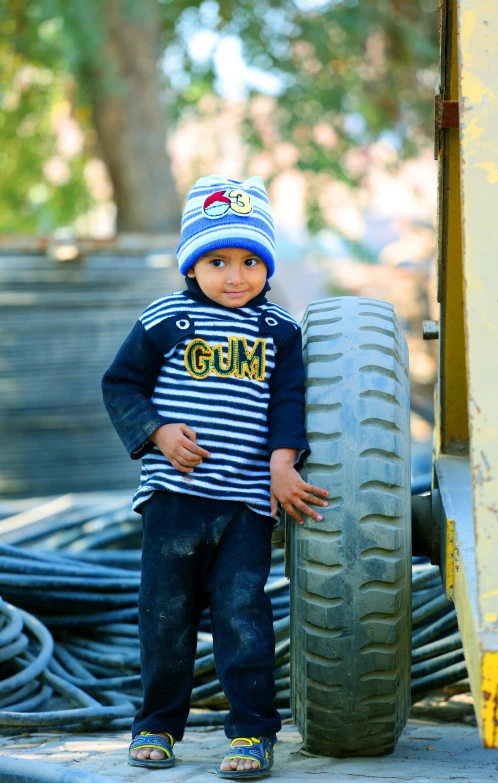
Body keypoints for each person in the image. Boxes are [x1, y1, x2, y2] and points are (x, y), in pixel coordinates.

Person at [101, 175, 329, 779]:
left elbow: (289, 402)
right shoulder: (166, 319)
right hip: (174, 499)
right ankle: (156, 725)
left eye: (252, 261)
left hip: (246, 506)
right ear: (191, 264)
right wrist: (157, 431)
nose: (236, 276)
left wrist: (283, 464)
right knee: (166, 616)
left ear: (268, 265)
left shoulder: (278, 329)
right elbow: (121, 383)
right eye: (218, 260)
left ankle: (253, 732)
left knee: (242, 616)